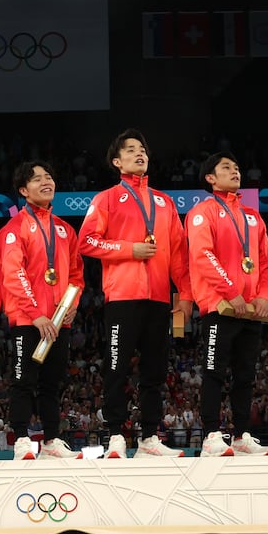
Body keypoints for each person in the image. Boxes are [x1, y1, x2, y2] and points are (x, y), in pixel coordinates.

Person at [76, 129, 193, 458]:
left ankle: (149, 438)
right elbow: (87, 241)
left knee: (155, 371)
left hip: (158, 298)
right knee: (116, 368)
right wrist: (130, 249)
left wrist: (184, 296)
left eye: (142, 149)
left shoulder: (165, 202)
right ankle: (115, 435)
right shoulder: (107, 198)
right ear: (117, 161)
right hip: (123, 298)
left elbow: (180, 254)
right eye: (130, 150)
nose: (139, 153)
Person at [185, 151, 268, 457]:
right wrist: (230, 291)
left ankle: (241, 435)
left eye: (237, 168)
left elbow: (265, 263)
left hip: (249, 310)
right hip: (220, 308)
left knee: (246, 375)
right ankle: (211, 434)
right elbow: (203, 255)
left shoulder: (253, 216)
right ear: (210, 178)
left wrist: (264, 296)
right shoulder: (202, 212)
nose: (235, 172)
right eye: (226, 168)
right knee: (214, 372)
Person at [0, 160, 84, 460]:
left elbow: (75, 275)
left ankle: (51, 440)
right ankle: (21, 438)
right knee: (23, 381)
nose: (46, 181)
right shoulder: (14, 228)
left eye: (49, 176)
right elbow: (13, 273)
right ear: (23, 190)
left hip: (59, 322)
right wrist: (36, 314)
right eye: (37, 179)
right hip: (29, 320)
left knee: (52, 384)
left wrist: (71, 306)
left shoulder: (65, 230)